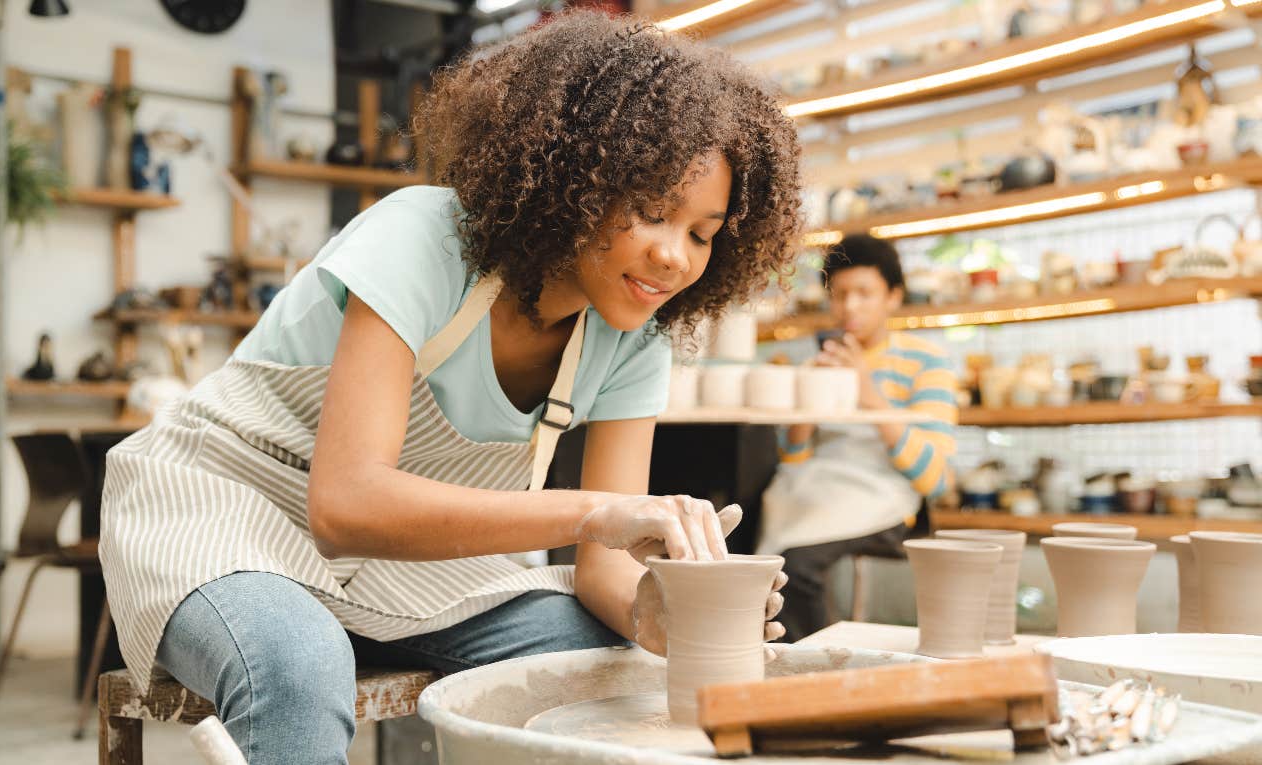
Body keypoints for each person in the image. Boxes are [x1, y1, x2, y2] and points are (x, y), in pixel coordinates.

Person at [98, 13, 804, 764]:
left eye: (702, 232)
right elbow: (347, 505)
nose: (673, 256)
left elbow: (604, 571)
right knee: (299, 662)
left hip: (404, 569)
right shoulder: (422, 240)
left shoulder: (636, 333)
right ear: (576, 178)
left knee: (595, 656)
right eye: (651, 211)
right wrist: (598, 512)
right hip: (222, 515)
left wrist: (657, 616)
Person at [757, 234, 958, 642]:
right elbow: (792, 462)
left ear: (893, 297)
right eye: (841, 294)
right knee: (747, 549)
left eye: (864, 294)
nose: (850, 307)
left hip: (887, 504)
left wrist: (866, 392)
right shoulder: (818, 361)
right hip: (813, 490)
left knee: (794, 565)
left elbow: (934, 480)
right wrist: (805, 408)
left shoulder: (926, 362)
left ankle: (817, 669)